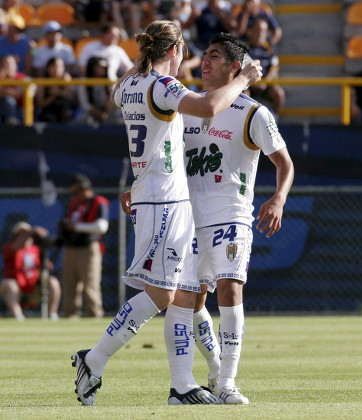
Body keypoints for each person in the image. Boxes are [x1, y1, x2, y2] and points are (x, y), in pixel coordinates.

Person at [71, 19, 262, 407]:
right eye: (184, 54)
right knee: (162, 295)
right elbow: (209, 105)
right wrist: (243, 80)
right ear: (174, 51)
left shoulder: (125, 85)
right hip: (165, 200)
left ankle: (183, 382)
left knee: (176, 294)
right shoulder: (163, 86)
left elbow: (133, 94)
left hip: (150, 193)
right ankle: (94, 359)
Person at [121, 31, 294, 405]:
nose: (205, 61)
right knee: (188, 301)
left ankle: (227, 382)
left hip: (230, 216)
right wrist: (137, 186)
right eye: (204, 54)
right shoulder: (189, 105)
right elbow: (164, 156)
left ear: (235, 67)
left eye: (215, 56)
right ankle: (192, 380)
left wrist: (278, 198)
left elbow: (284, 162)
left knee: (230, 291)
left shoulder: (253, 112)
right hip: (187, 216)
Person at [57, 174, 109, 318]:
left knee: (90, 284)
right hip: (70, 248)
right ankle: (70, 315)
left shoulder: (98, 202)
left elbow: (102, 226)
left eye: (76, 192)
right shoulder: (74, 203)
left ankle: (94, 315)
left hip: (88, 248)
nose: (74, 196)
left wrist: (76, 227)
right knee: (69, 285)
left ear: (85, 189)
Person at [0, 221, 61, 321]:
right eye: (21, 234)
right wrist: (31, 231)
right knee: (8, 284)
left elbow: (48, 266)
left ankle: (52, 315)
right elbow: (16, 247)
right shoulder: (9, 247)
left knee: (53, 282)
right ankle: (19, 317)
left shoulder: (36, 249)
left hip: (34, 289)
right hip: (17, 291)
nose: (26, 237)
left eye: (27, 234)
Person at [246, 17, 285, 117]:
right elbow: (242, 68)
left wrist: (265, 82)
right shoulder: (245, 47)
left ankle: (274, 120)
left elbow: (274, 67)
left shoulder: (270, 47)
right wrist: (253, 83)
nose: (260, 33)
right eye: (257, 30)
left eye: (263, 30)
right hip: (249, 84)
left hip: (266, 84)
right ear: (252, 30)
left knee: (279, 94)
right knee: (244, 95)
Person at [76, 56, 121, 125]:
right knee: (84, 118)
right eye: (98, 67)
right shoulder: (84, 82)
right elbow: (85, 105)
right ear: (91, 68)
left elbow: (114, 96)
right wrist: (100, 114)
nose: (102, 69)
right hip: (92, 112)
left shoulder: (109, 80)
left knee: (118, 113)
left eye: (103, 67)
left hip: (107, 110)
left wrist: (110, 101)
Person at [35, 57, 77, 123]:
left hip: (63, 112)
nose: (56, 69)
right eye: (54, 66)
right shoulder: (43, 81)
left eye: (60, 66)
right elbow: (40, 104)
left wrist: (59, 92)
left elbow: (71, 97)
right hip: (47, 112)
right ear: (48, 68)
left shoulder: (65, 78)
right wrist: (52, 96)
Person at [0, 54, 26, 125]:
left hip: (21, 109)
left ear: (15, 66)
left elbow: (16, 94)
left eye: (10, 64)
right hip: (3, 110)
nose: (7, 66)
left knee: (9, 100)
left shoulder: (22, 78)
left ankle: (13, 124)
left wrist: (3, 92)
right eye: (4, 64)